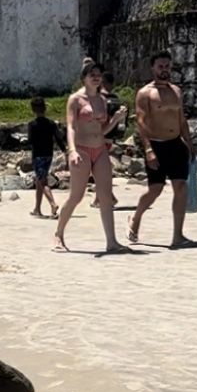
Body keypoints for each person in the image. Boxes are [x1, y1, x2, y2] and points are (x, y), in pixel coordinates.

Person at [53, 61, 129, 253]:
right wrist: (72, 150)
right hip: (82, 149)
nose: (96, 77)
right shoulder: (75, 99)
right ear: (84, 78)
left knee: (105, 197)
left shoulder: (102, 100)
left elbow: (102, 130)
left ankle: (111, 242)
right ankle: (58, 234)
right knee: (76, 196)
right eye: (92, 74)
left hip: (100, 149)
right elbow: (71, 127)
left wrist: (115, 120)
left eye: (98, 74)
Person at [129, 50, 197, 248]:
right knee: (155, 190)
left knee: (181, 187)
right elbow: (141, 123)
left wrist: (190, 143)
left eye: (167, 66)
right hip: (156, 146)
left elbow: (181, 120)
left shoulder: (176, 91)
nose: (164, 70)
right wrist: (148, 150)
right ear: (153, 68)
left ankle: (178, 235)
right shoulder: (145, 93)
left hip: (176, 144)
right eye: (160, 66)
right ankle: (136, 217)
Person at [26, 96, 62, 218]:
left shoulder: (32, 125)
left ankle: (53, 204)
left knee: (42, 181)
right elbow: (58, 138)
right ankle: (37, 209)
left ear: (33, 110)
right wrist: (65, 151)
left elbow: (30, 140)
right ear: (45, 108)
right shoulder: (51, 124)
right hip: (49, 155)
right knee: (39, 180)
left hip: (38, 156)